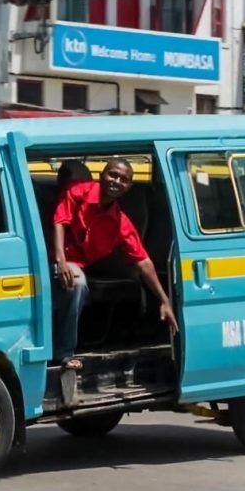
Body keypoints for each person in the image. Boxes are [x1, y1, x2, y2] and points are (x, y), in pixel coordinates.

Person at [53, 158, 178, 370]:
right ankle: (63, 353)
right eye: (112, 175)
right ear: (102, 175)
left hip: (78, 265)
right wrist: (60, 259)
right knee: (77, 282)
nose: (116, 181)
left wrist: (165, 300)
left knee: (77, 281)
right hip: (49, 260)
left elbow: (143, 261)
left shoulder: (120, 222)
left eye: (123, 180)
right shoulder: (77, 190)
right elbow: (60, 221)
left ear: (128, 187)